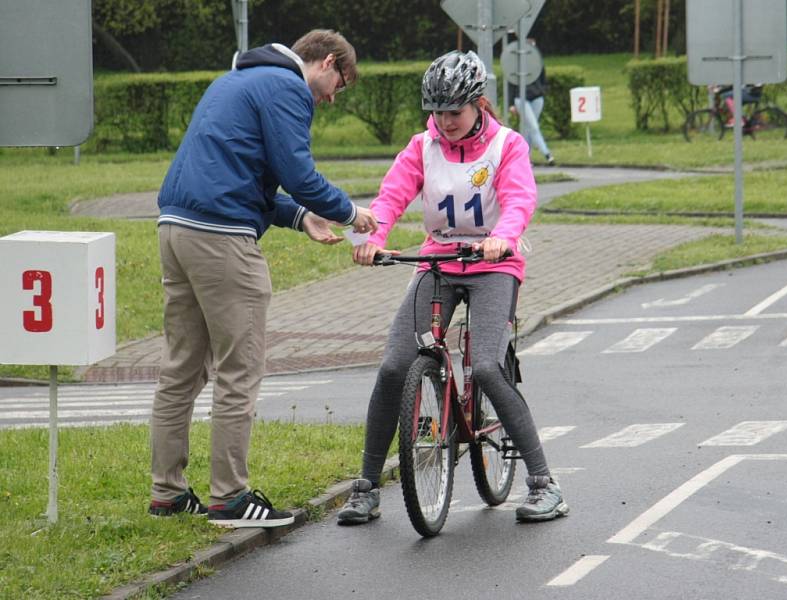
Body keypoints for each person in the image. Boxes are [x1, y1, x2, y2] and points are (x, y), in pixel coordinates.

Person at [149, 29, 378, 528]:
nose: (333, 96)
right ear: (328, 61)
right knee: (240, 368)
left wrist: (301, 218)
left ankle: (167, 493)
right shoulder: (287, 87)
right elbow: (297, 173)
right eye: (340, 84)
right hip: (222, 238)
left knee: (181, 369)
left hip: (175, 228)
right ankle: (229, 499)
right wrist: (348, 213)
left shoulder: (235, 81)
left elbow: (242, 173)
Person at [337, 50, 568, 526]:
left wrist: (503, 237)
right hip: (438, 261)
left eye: (454, 112)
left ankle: (545, 484)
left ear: (477, 104)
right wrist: (372, 239)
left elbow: (519, 198)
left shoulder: (507, 145)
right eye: (438, 111)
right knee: (394, 365)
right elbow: (390, 198)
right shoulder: (422, 146)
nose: (445, 121)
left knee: (485, 366)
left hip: (493, 264)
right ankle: (364, 488)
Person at [508, 40, 554, 166]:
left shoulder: (538, 62)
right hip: (521, 98)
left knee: (529, 128)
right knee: (533, 127)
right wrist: (511, 104)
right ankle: (547, 154)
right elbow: (511, 83)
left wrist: (542, 91)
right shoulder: (516, 64)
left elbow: (544, 78)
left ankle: (525, 158)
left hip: (537, 97)